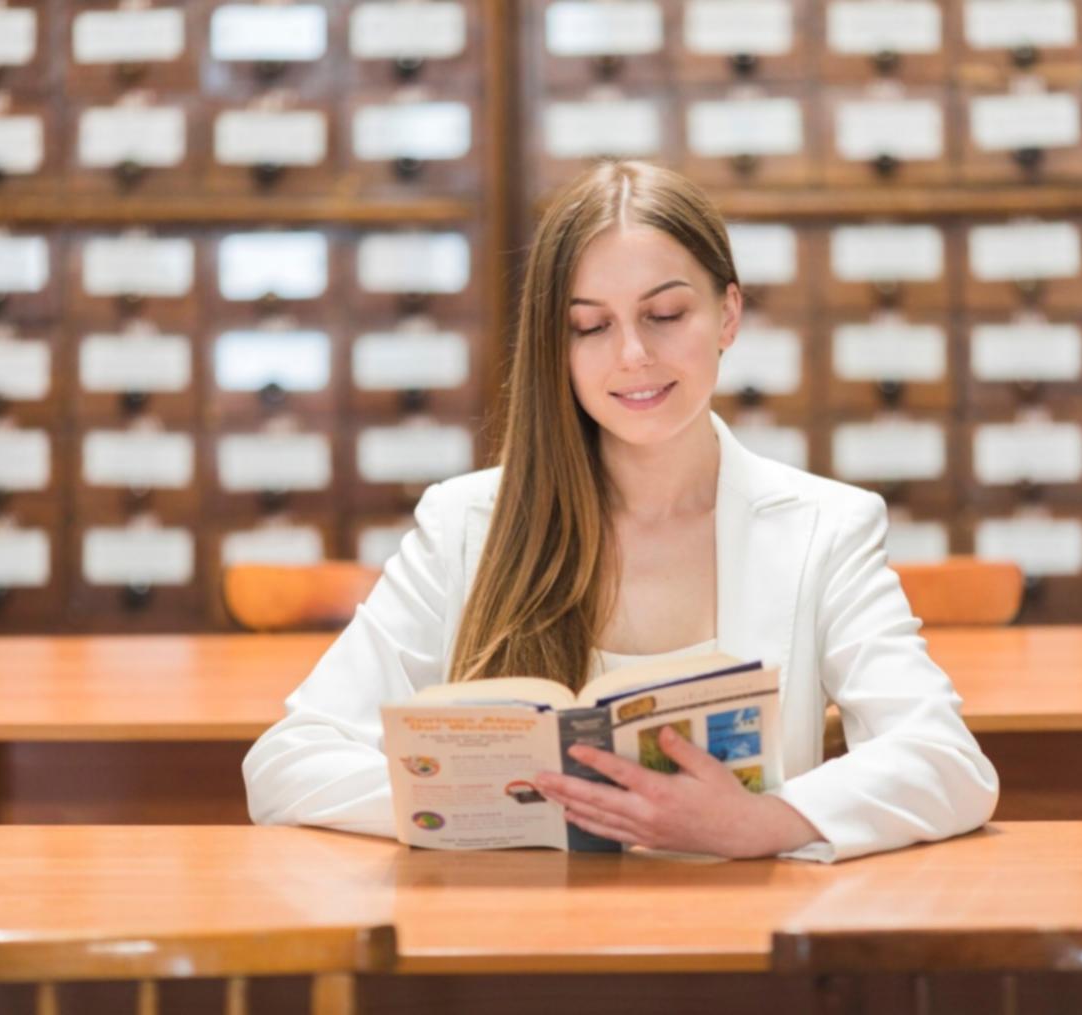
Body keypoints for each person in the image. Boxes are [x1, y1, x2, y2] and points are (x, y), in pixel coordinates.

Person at [243, 160, 998, 862]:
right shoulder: (465, 523)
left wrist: (768, 821)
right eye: (590, 325)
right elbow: (287, 760)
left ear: (728, 314)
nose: (631, 353)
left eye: (665, 313)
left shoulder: (825, 527)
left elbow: (944, 756)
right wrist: (477, 806)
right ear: (557, 345)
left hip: (738, 945)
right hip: (513, 946)